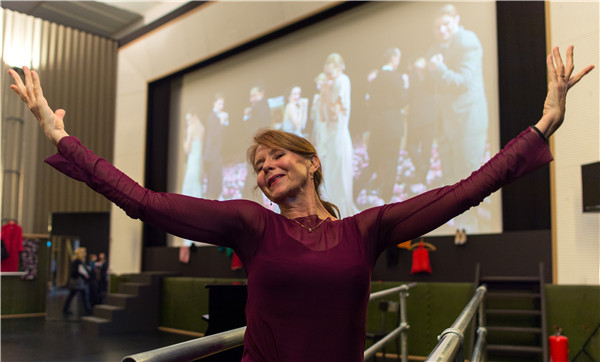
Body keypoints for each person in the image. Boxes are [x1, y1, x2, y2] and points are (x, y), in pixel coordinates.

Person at [9, 46, 593, 362]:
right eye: (258, 165)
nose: (265, 167)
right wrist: (61, 138)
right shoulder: (251, 226)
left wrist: (543, 127)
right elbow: (144, 202)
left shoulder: (367, 231)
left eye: (277, 156)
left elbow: (465, 191)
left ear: (312, 161)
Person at [358, 47, 409, 204]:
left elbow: (371, 104)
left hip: (378, 127)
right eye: (398, 59)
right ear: (393, 58)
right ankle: (386, 198)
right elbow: (402, 102)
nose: (398, 62)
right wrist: (406, 86)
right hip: (392, 126)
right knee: (391, 163)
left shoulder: (376, 79)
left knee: (374, 163)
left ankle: (355, 189)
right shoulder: (397, 77)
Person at [320, 52, 358, 218]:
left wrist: (327, 92)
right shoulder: (335, 83)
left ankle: (341, 210)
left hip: (339, 135)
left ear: (338, 68)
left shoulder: (342, 81)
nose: (328, 77)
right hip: (332, 135)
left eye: (330, 73)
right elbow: (324, 116)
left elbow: (335, 113)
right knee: (333, 172)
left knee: (339, 174)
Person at [203, 94, 228, 199]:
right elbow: (213, 137)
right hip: (212, 155)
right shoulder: (212, 117)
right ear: (214, 104)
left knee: (216, 182)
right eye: (219, 103)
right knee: (213, 184)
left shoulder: (218, 116)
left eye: (223, 104)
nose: (221, 106)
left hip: (216, 154)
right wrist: (222, 123)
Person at [62, 247, 92, 315]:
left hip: (77, 281)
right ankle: (88, 310)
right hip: (77, 281)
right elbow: (77, 271)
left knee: (73, 295)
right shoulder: (78, 261)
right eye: (84, 252)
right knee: (82, 295)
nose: (85, 254)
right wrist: (84, 275)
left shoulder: (78, 261)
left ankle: (66, 308)